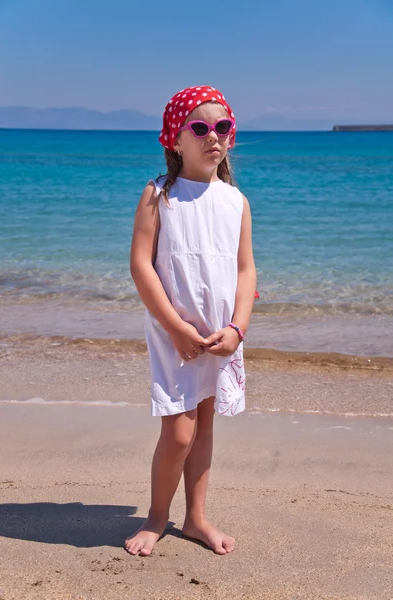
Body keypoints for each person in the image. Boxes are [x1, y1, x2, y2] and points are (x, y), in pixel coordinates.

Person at [125, 85, 257, 557]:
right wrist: (176, 327)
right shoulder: (159, 195)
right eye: (199, 127)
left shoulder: (235, 202)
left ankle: (196, 518)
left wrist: (238, 328)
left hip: (220, 334)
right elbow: (141, 265)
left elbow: (245, 269)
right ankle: (157, 517)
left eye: (222, 127)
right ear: (175, 138)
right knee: (178, 432)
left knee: (204, 427)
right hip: (173, 334)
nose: (212, 136)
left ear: (231, 137)